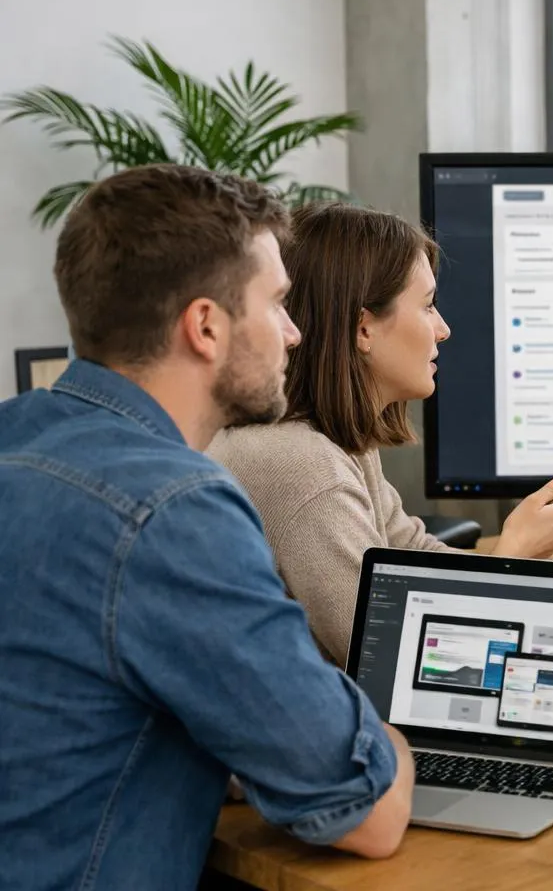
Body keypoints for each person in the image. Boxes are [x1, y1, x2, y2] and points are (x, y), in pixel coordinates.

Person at [0, 167, 415, 889]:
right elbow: (367, 813)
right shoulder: (174, 510)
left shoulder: (15, 438)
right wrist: (393, 742)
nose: (293, 333)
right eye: (279, 304)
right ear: (206, 326)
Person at [209, 202, 553, 663]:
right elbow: (388, 656)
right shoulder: (302, 466)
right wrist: (511, 556)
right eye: (428, 306)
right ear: (363, 328)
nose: (443, 330)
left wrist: (509, 556)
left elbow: (413, 561)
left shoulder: (334, 439)